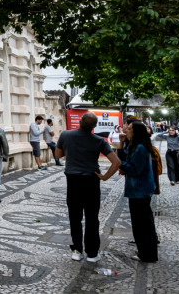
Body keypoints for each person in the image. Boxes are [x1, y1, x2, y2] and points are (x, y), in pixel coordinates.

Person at [55, 112, 121, 263]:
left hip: (73, 180)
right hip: (92, 181)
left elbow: (58, 154)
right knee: (92, 218)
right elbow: (117, 162)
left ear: (80, 122)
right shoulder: (99, 141)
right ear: (94, 126)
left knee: (75, 217)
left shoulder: (66, 135)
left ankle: (77, 250)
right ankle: (92, 253)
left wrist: (72, 150)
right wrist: (104, 177)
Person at [119, 122, 159, 262]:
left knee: (142, 223)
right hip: (137, 189)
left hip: (140, 190)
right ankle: (145, 250)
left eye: (129, 129)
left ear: (136, 132)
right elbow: (125, 157)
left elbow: (135, 169)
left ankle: (147, 254)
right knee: (141, 222)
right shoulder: (135, 146)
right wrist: (121, 144)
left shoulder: (141, 148)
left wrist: (120, 164)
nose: (126, 131)